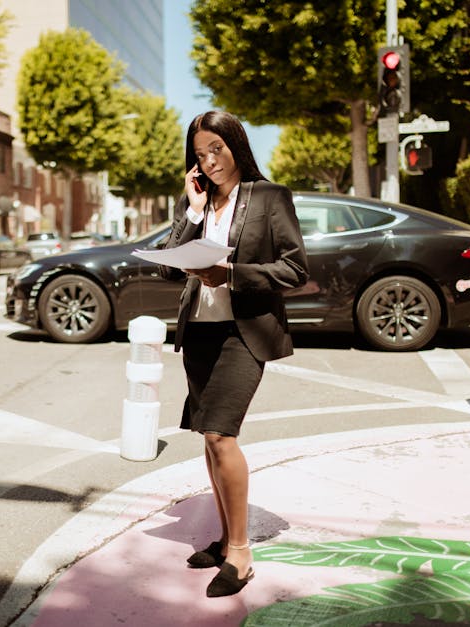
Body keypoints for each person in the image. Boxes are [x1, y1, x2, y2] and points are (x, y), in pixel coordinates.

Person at [157, 111, 309, 598]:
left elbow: (294, 269)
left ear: (236, 146)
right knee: (207, 437)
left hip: (243, 333)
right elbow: (167, 269)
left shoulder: (269, 197)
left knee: (222, 434)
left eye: (216, 150)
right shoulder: (200, 203)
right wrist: (193, 212)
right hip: (199, 331)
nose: (209, 161)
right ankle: (225, 541)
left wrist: (233, 275)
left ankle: (241, 555)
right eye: (200, 154)